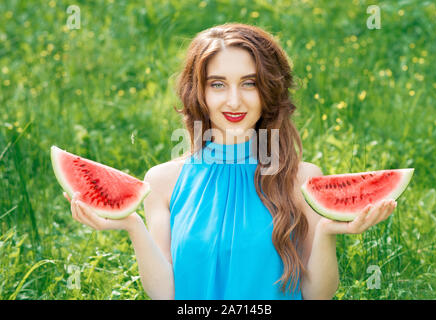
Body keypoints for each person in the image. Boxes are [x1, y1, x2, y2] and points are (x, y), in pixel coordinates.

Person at [64, 23, 396, 300]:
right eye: (218, 84)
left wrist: (326, 230)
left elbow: (316, 295)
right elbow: (166, 294)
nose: (234, 100)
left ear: (269, 91)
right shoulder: (163, 181)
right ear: (200, 93)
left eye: (249, 83)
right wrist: (131, 225)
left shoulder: (303, 180)